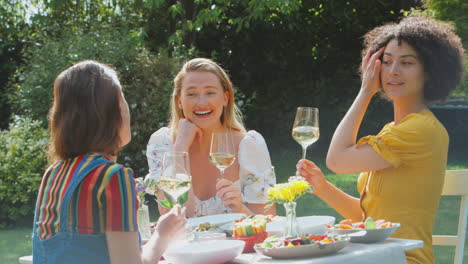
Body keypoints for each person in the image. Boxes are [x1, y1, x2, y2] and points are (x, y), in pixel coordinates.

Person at [296, 16, 464, 264]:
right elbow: (371, 221)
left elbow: (337, 160)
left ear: (430, 72)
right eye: (386, 62)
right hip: (377, 255)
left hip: (405, 258)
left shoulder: (419, 129)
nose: (393, 71)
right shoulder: (394, 130)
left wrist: (365, 92)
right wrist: (322, 187)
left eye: (407, 62)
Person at [32, 60, 187, 264]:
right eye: (123, 100)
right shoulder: (113, 178)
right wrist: (162, 235)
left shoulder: (53, 174)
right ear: (116, 110)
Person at [145, 58, 276, 217]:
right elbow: (171, 214)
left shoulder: (250, 145)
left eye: (210, 93)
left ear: (225, 98)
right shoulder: (163, 143)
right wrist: (180, 148)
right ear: (179, 101)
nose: (202, 102)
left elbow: (268, 225)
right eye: (192, 94)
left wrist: (240, 209)